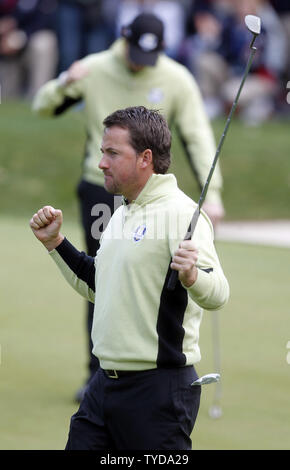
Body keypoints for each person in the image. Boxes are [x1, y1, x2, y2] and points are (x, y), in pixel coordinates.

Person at [32, 12, 225, 402]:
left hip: (150, 191)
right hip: (100, 190)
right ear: (123, 39)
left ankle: (150, 363)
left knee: (140, 275)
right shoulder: (95, 68)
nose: (140, 62)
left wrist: (214, 192)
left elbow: (198, 137)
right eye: (135, 53)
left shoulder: (176, 78)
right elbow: (42, 106)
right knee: (108, 271)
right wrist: (64, 82)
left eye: (148, 56)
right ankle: (98, 372)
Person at [29, 106, 229, 450]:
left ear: (144, 158)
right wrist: (55, 244)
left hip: (158, 393)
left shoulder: (182, 214)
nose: (101, 163)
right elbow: (98, 286)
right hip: (103, 387)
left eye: (112, 153)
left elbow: (219, 293)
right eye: (102, 152)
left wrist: (193, 276)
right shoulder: (122, 211)